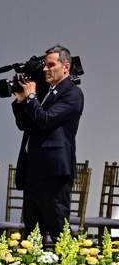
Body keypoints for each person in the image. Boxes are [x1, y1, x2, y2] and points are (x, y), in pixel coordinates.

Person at [12, 44, 84, 241]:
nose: (45, 69)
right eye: (44, 65)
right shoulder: (45, 92)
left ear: (66, 67)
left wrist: (32, 96)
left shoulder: (72, 93)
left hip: (54, 171)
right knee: (32, 227)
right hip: (34, 168)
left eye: (51, 64)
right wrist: (21, 100)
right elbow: (24, 124)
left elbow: (46, 120)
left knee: (57, 225)